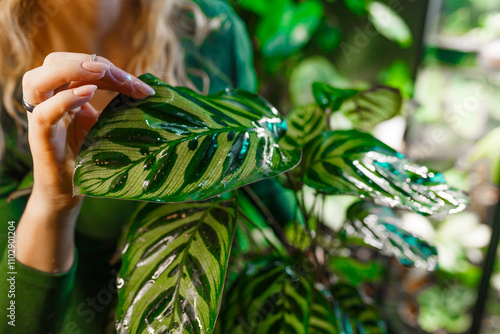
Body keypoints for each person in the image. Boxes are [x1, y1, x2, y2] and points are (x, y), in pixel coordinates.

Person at [0, 0, 297, 332]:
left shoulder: (210, 30)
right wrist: (52, 200)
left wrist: (311, 249)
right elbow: (14, 318)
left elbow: (255, 161)